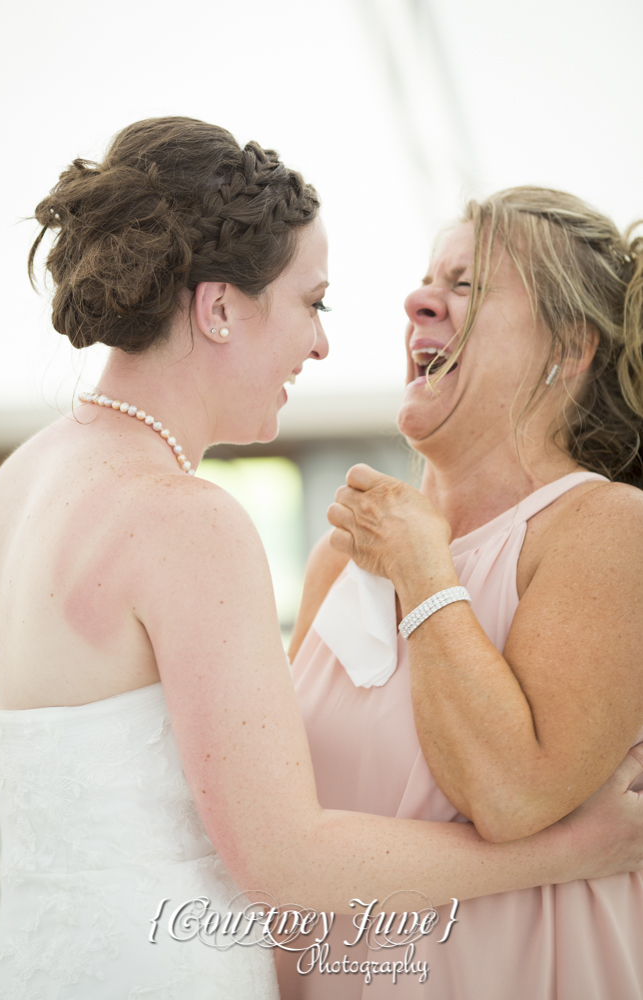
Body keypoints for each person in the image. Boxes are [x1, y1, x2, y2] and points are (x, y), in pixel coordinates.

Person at [0, 127, 641, 1000]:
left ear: (570, 346)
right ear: (218, 309)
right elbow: (286, 854)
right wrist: (577, 851)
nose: (325, 344)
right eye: (312, 302)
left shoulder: (18, 484)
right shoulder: (195, 521)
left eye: (465, 285)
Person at [281, 187, 643, 999]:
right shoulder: (340, 558)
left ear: (568, 349)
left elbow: (511, 795)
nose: (417, 302)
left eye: (467, 285)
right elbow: (284, 826)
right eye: (425, 281)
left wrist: (423, 570)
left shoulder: (607, 529)